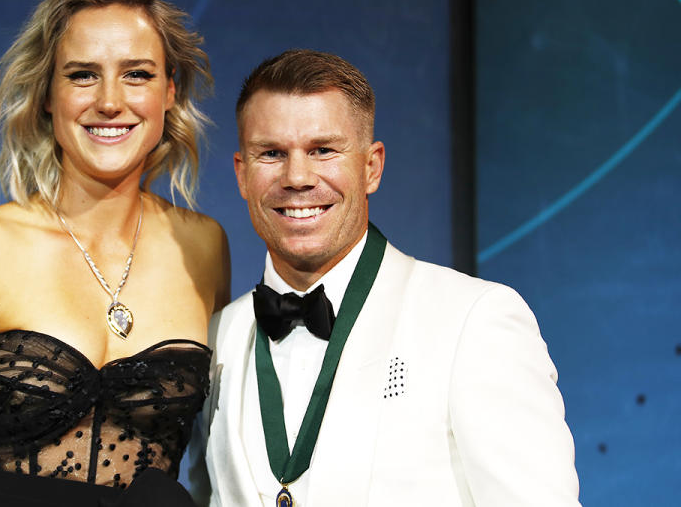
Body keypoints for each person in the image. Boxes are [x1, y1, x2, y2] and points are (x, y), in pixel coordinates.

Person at [0, 0, 230, 506]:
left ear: (169, 92)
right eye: (83, 75)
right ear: (47, 94)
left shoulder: (202, 250)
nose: (111, 101)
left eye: (136, 74)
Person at [202, 49, 580, 506]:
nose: (297, 176)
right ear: (242, 175)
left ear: (371, 167)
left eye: (323, 150)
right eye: (272, 153)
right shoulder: (214, 339)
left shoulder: (474, 320)